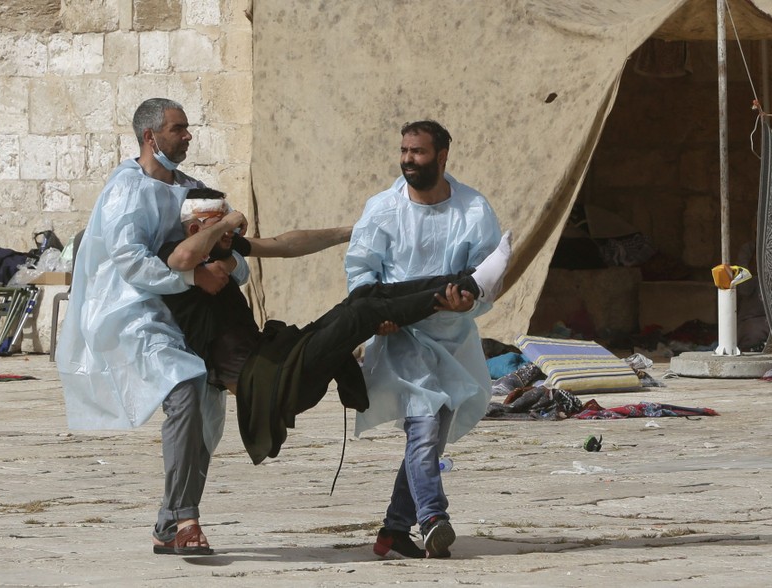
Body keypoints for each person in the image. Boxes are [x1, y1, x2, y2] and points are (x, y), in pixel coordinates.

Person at [161, 190, 512, 467]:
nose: (232, 232)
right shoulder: (179, 257)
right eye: (219, 224)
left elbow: (285, 245)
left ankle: (468, 284)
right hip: (265, 382)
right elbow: (181, 259)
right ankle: (470, 286)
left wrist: (355, 231)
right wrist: (224, 226)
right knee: (360, 315)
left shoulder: (220, 250)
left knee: (363, 299)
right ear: (195, 228)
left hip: (276, 358)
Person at [57, 98, 239, 557]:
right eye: (178, 129)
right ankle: (185, 521)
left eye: (187, 127)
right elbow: (129, 260)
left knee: (204, 411)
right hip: (130, 310)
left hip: (189, 314)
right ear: (149, 137)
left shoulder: (195, 191)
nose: (188, 136)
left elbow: (228, 252)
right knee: (185, 384)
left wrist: (226, 266)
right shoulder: (125, 189)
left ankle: (167, 521)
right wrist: (190, 275)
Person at [345, 120, 505, 559]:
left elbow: (488, 275)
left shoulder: (473, 209)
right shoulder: (382, 208)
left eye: (417, 152)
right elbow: (360, 270)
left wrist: (466, 304)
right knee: (424, 422)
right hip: (403, 338)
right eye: (404, 151)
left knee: (431, 438)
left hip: (453, 338)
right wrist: (377, 315)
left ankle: (394, 530)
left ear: (442, 155)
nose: (408, 160)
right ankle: (433, 516)